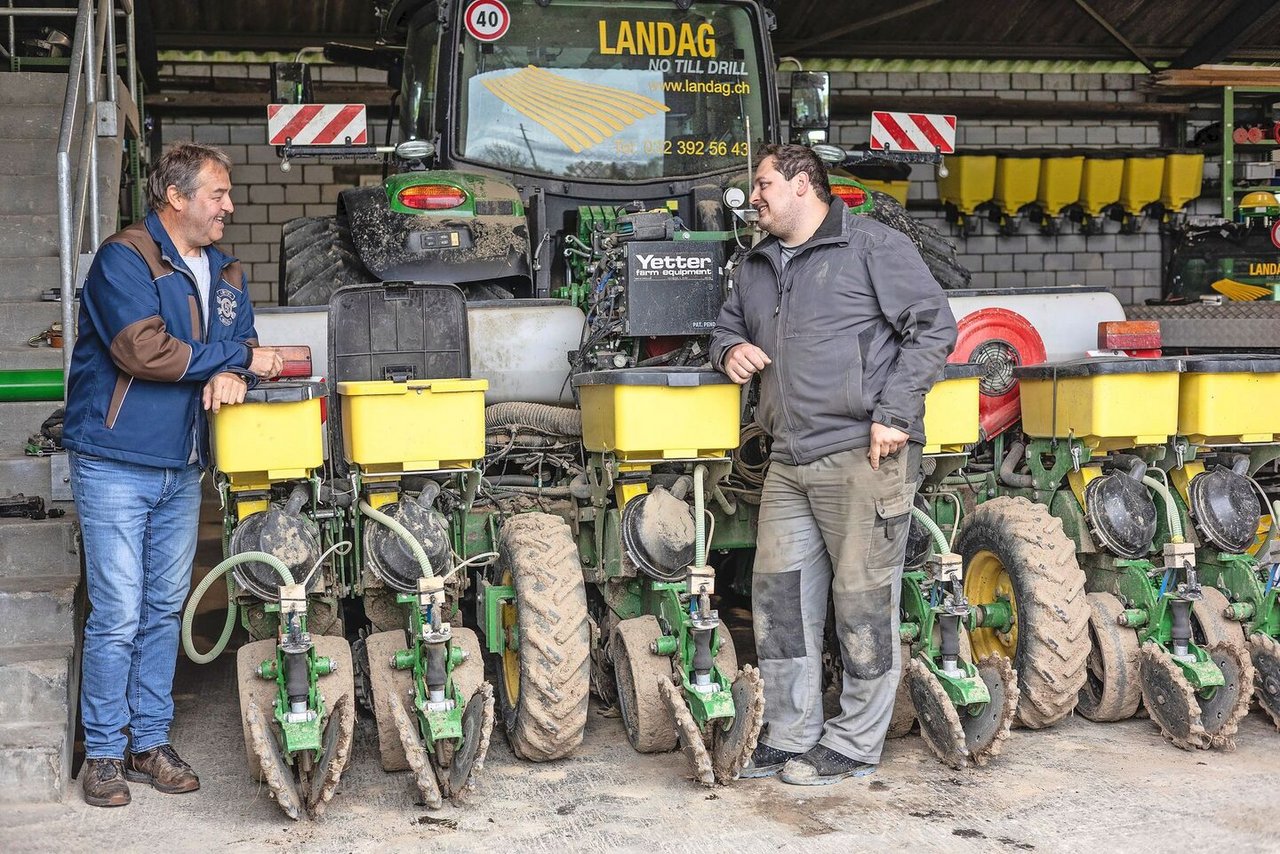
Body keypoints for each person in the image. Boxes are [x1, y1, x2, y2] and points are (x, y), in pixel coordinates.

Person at [710, 144, 957, 785]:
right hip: (788, 456)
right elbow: (727, 328)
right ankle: (791, 734)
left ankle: (854, 741)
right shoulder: (756, 263)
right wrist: (730, 349)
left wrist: (896, 412)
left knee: (862, 600)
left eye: (763, 184)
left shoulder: (871, 246)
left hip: (864, 453)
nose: (754, 196)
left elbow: (933, 327)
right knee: (780, 599)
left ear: (801, 184)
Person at [62, 142, 283, 807]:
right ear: (176, 198)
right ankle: (102, 752)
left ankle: (148, 742)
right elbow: (142, 348)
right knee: (120, 609)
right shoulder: (123, 259)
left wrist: (231, 367)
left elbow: (234, 349)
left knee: (162, 609)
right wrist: (239, 355)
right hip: (114, 461)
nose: (229, 206)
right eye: (217, 194)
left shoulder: (227, 271)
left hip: (181, 465)